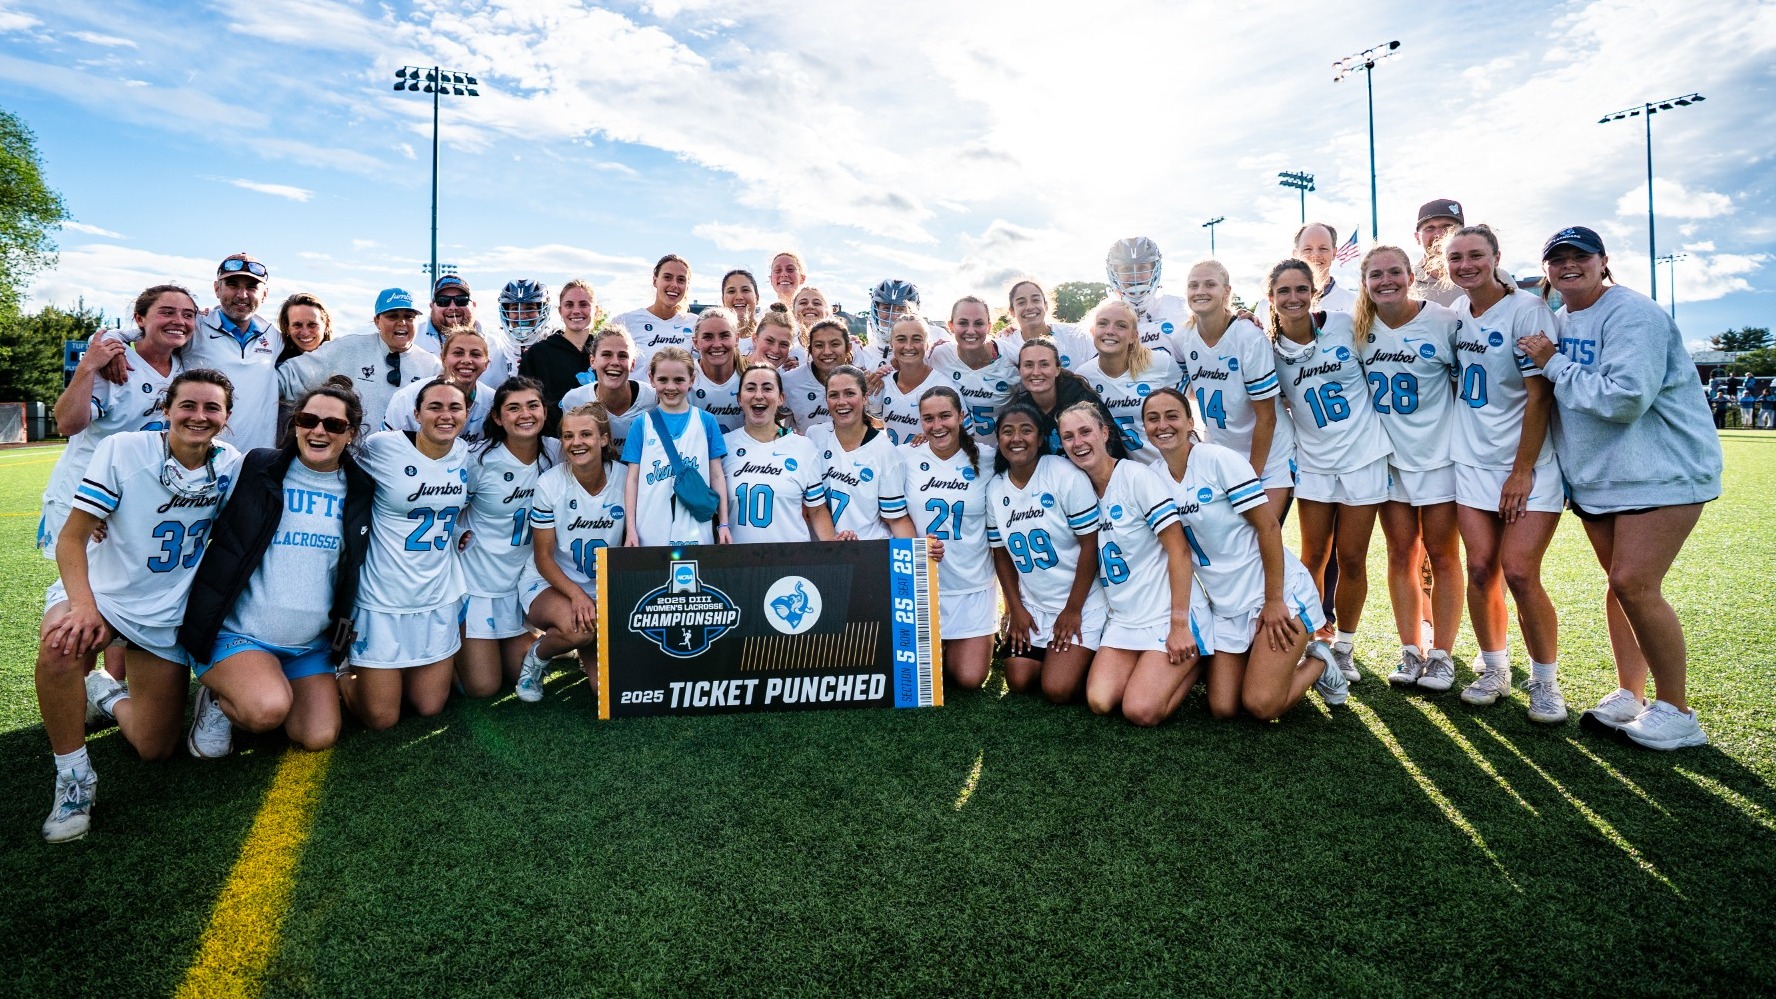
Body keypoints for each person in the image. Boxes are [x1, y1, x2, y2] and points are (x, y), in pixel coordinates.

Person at [1520, 225, 1723, 749]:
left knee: (1635, 583)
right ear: (1546, 270)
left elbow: (1625, 399)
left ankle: (1677, 711)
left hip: (1662, 471)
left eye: (1580, 256)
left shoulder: (1634, 313)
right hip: (1599, 479)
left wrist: (1553, 362)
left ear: (1602, 261)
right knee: (1619, 586)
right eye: (1558, 258)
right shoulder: (1558, 320)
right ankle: (1630, 693)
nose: (1569, 265)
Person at [37, 370, 242, 842]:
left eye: (212, 408)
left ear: (227, 418)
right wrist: (83, 606)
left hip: (166, 611)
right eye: (187, 405)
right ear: (166, 409)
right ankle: (73, 778)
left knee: (155, 747)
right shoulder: (125, 449)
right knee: (62, 643)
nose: (199, 416)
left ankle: (106, 694)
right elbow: (71, 538)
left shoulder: (230, 464)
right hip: (105, 593)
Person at [178, 377, 371, 758]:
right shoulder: (254, 467)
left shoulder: (361, 488)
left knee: (318, 735)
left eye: (333, 425)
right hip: (239, 634)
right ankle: (218, 698)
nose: (318, 431)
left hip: (309, 645)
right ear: (295, 424)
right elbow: (188, 496)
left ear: (351, 433)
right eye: (308, 420)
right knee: (267, 710)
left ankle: (264, 683)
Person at [1142, 388, 1347, 718]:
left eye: (1172, 416)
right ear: (1145, 427)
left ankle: (1319, 662)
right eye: (1153, 419)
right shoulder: (1151, 478)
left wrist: (1274, 600)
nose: (1162, 425)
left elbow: (1269, 528)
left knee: (1261, 705)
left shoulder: (1218, 460)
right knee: (1223, 706)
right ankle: (1266, 661)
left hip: (1273, 592)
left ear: (1190, 422)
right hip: (1226, 605)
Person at [1443, 225, 1567, 723]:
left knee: (1519, 572)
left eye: (1476, 255)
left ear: (1496, 257)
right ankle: (1495, 668)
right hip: (1471, 461)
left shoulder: (1528, 310)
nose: (1466, 265)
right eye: (1456, 258)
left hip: (1526, 465)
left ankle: (1545, 681)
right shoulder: (1456, 313)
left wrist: (1521, 471)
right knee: (1479, 568)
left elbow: (1541, 396)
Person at [1266, 258, 1392, 682]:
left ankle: (1345, 646)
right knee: (1313, 557)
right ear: (1271, 297)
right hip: (1314, 462)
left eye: (1301, 289)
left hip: (1362, 457)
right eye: (1284, 291)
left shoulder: (1343, 324)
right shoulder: (1269, 348)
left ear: (1314, 292)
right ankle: (1314, 638)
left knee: (1352, 557)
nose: (1294, 298)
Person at [1351, 246, 1464, 690]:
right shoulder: (1357, 328)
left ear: (1411, 276)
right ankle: (1411, 649)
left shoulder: (1444, 321)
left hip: (1438, 457)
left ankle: (1443, 654)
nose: (1386, 281)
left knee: (1443, 555)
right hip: (1389, 459)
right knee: (1400, 553)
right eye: (1376, 275)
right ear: (1365, 283)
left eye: (1394, 272)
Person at [1057, 402, 1208, 726]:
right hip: (1125, 618)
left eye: (1085, 432)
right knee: (1099, 700)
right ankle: (1154, 668)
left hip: (1166, 613)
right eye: (1068, 437)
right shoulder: (1076, 488)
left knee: (1140, 710)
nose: (1078, 442)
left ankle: (1199, 659)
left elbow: (1179, 551)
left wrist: (1179, 624)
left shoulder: (1136, 477)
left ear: (1104, 433)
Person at [338, 379, 471, 731]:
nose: (445, 415)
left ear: (467, 414)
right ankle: (340, 675)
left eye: (455, 407)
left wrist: (458, 531)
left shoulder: (465, 454)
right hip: (381, 598)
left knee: (429, 706)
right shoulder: (383, 447)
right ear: (416, 413)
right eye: (435, 407)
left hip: (436, 596)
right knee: (382, 718)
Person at [39, 285, 191, 561]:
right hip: (86, 494)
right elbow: (67, 424)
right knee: (80, 582)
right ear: (140, 318)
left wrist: (115, 336)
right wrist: (88, 365)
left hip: (134, 497)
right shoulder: (113, 363)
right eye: (167, 312)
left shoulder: (183, 367)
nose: (179, 321)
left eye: (188, 314)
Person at [987, 403, 1107, 704]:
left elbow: (1090, 544)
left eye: (1026, 430)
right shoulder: (995, 487)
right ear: (998, 439)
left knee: (1057, 688)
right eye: (1008, 431)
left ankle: (1099, 653)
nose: (1017, 438)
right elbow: (1001, 554)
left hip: (1081, 601)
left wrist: (1073, 610)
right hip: (1036, 604)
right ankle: (1061, 656)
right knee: (1018, 680)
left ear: (1040, 438)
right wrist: (1016, 610)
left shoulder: (1064, 475)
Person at [514, 402, 629, 701]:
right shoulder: (550, 483)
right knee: (579, 630)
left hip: (603, 589)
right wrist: (578, 596)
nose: (576, 442)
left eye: (586, 434)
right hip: (551, 583)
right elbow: (543, 557)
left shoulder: (626, 478)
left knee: (606, 691)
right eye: (568, 436)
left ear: (604, 439)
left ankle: (585, 644)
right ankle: (537, 657)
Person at [455, 377, 559, 698]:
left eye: (533, 405)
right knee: (483, 687)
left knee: (517, 673)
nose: (525, 414)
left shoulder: (557, 452)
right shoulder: (479, 459)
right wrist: (458, 534)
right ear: (498, 418)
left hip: (524, 582)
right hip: (478, 582)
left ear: (544, 411)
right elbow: (448, 508)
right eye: (513, 408)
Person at [1172, 260, 1295, 522]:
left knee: (1262, 535)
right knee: (1227, 539)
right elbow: (1192, 391)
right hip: (1223, 455)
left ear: (1226, 291)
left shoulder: (1248, 337)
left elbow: (1267, 417)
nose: (1200, 291)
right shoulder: (1182, 338)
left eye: (1210, 284)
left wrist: (1251, 478)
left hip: (1269, 457)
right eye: (1193, 285)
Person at [906, 387, 996, 690]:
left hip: (972, 585)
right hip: (922, 585)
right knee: (924, 675)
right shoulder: (905, 457)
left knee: (969, 679)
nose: (937, 425)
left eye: (945, 416)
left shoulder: (988, 458)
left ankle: (977, 638)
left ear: (961, 416)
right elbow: (892, 514)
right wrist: (916, 545)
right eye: (928, 419)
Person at [278, 288, 442, 437]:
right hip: (352, 456)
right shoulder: (347, 347)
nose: (402, 322)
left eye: (409, 316)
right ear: (377, 321)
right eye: (392, 316)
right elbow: (286, 378)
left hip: (403, 457)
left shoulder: (431, 366)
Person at [621, 346, 731, 547]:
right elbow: (632, 480)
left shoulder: (706, 421)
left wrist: (723, 524)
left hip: (697, 530)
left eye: (679, 380)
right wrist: (631, 529)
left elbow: (716, 476)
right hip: (650, 529)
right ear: (651, 379)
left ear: (692, 380)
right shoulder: (642, 424)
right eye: (663, 380)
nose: (670, 387)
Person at [725, 364, 837, 543]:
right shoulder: (724, 447)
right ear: (739, 398)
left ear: (781, 398)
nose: (759, 395)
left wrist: (835, 550)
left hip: (791, 557)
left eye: (767, 388)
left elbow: (816, 510)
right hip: (739, 558)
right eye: (750, 388)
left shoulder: (804, 447)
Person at [807, 365, 915, 540]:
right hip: (825, 549)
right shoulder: (814, 437)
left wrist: (919, 553)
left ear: (865, 397)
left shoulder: (884, 450)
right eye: (834, 395)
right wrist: (831, 545)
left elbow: (896, 519)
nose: (842, 402)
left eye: (850, 393)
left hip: (869, 548)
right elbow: (811, 507)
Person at [1077, 298, 1184, 466]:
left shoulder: (1160, 363)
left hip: (1173, 464)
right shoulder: (1084, 375)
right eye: (1103, 324)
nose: (1110, 331)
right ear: (1093, 330)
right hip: (1129, 473)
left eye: (1121, 326)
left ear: (1134, 336)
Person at [385, 326, 498, 445]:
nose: (466, 360)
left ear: (486, 363)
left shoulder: (493, 402)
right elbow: (387, 448)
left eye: (475, 354)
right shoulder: (407, 398)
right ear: (443, 359)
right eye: (458, 353)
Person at [1004, 337, 1116, 453]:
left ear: (1057, 369)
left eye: (1044, 364)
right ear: (1020, 371)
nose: (1036, 372)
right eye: (1028, 365)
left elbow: (1112, 451)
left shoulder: (1083, 402)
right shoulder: (1021, 411)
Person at [931, 296, 1018, 441]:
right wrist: (894, 365)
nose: (971, 331)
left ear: (989, 327)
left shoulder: (1013, 357)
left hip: (1000, 451)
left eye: (978, 323)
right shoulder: (938, 355)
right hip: (957, 451)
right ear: (951, 326)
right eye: (963, 323)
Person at [559, 327, 657, 454]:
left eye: (623, 356)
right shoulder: (573, 401)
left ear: (632, 364)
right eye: (606, 355)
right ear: (592, 361)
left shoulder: (653, 398)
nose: (615, 362)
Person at [519, 278, 599, 430]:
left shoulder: (605, 352)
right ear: (560, 311)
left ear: (596, 310)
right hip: (553, 438)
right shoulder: (539, 354)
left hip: (597, 438)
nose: (576, 310)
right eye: (569, 305)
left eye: (584, 304)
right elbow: (526, 402)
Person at [1105, 237, 1190, 357]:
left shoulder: (1181, 309)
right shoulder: (1102, 317)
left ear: (1154, 270)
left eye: (1142, 268)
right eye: (1127, 269)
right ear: (1115, 274)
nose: (1135, 276)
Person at [609, 255, 695, 367]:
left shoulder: (695, 324)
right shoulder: (624, 322)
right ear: (655, 281)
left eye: (681, 280)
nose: (674, 284)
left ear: (687, 286)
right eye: (667, 277)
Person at [875, 317, 948, 445]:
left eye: (916, 339)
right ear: (891, 344)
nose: (908, 346)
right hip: (893, 457)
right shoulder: (883, 381)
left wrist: (937, 435)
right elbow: (873, 421)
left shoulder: (944, 387)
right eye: (901, 339)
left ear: (927, 344)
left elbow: (964, 435)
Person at [273, 292, 334, 443]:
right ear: (287, 328)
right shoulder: (276, 365)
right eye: (297, 325)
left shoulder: (341, 359)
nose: (305, 332)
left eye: (312, 325)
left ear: (326, 325)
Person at [998, 279, 1094, 369]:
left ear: (1046, 306)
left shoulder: (1077, 336)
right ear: (1012, 311)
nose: (1029, 307)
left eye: (1035, 300)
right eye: (1021, 302)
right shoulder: (1004, 345)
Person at [782, 317, 857, 431]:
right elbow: (775, 418)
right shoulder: (790, 381)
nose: (827, 352)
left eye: (835, 344)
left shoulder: (860, 381)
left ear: (848, 348)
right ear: (810, 349)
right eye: (819, 345)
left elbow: (874, 422)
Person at [690, 307, 746, 432]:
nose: (716, 344)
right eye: (708, 337)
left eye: (724, 336)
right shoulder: (684, 377)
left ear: (737, 339)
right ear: (696, 342)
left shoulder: (751, 377)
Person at [1410, 199, 1466, 306]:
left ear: (1463, 233)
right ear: (1417, 238)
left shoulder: (1487, 277)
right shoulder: (1406, 283)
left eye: (1448, 227)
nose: (1439, 235)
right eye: (1429, 228)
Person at [1292, 224, 1358, 314]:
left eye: (1323, 248)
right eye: (1308, 249)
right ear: (1296, 254)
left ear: (1334, 253)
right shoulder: (1279, 303)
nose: (1316, 255)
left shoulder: (1354, 304)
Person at [741, 308, 807, 369]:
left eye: (784, 344)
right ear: (755, 339)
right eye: (769, 341)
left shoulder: (788, 375)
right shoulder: (736, 368)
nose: (775, 350)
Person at [721, 268, 762, 339]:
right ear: (723, 300)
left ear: (757, 297)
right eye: (731, 291)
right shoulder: (713, 338)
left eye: (745, 290)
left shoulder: (772, 334)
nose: (739, 297)